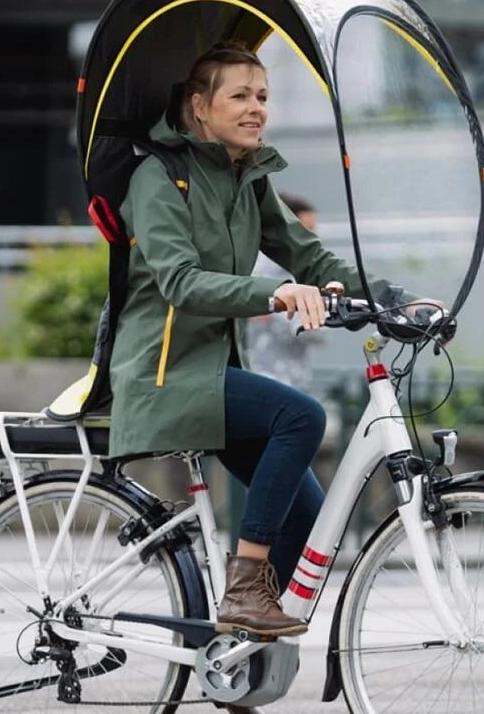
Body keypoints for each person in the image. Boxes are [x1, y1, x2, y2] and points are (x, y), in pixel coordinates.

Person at [109, 43, 441, 680]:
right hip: (163, 372)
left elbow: (310, 258)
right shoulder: (159, 177)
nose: (256, 108)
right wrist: (274, 293)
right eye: (240, 96)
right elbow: (179, 280)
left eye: (263, 96)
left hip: (214, 373)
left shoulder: (247, 177)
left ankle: (238, 672)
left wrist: (391, 299)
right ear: (199, 107)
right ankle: (244, 585)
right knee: (301, 417)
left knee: (308, 519)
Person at [245, 192, 325, 392]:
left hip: (294, 379)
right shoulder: (253, 271)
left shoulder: (305, 273)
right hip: (258, 377)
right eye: (306, 230)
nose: (312, 238)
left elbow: (317, 333)